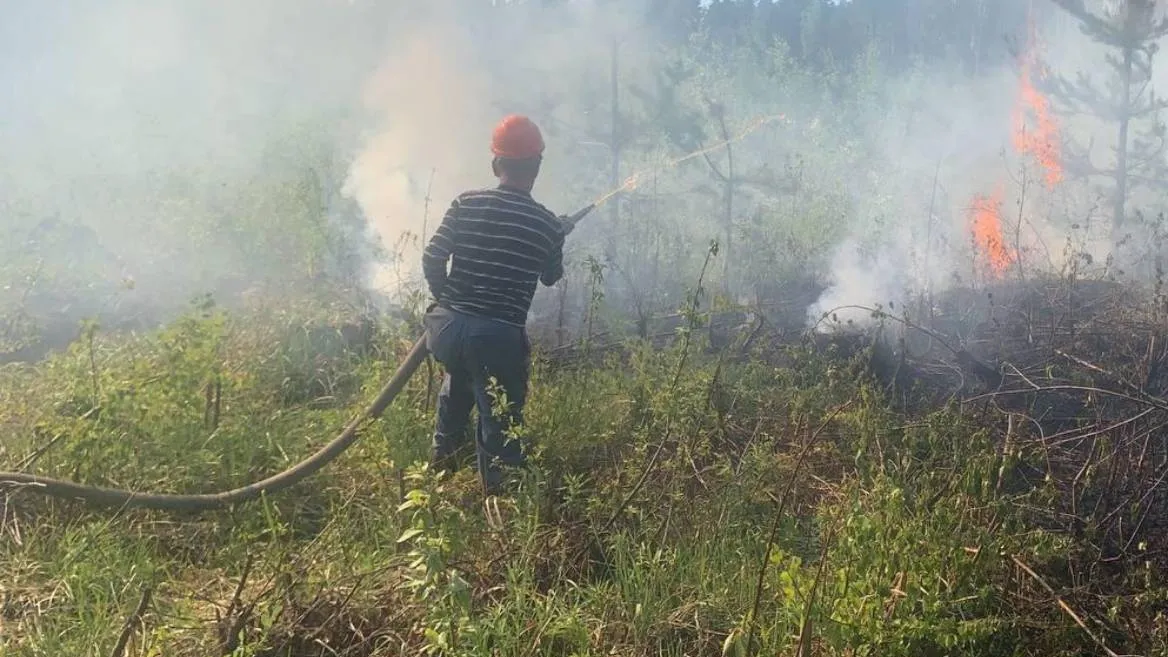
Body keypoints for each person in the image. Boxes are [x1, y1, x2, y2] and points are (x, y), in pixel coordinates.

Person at [421, 114, 570, 494]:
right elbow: (551, 276)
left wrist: (447, 302)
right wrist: (557, 236)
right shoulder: (546, 224)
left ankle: (440, 471)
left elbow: (432, 256)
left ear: (495, 163)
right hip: (498, 338)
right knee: (500, 420)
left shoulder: (465, 203)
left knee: (458, 383)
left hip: (447, 331)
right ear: (536, 168)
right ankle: (499, 501)